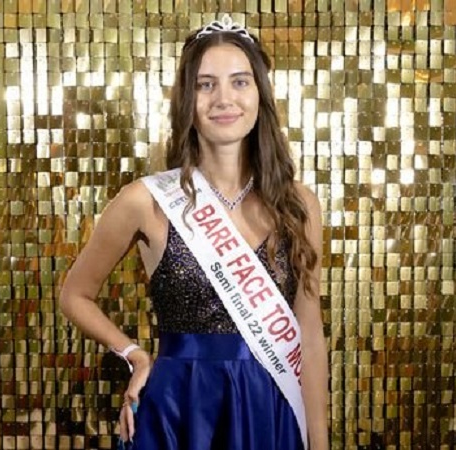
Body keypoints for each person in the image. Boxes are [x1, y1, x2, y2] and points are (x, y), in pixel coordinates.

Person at [59, 15, 328, 450]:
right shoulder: (145, 201)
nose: (224, 98)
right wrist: (134, 355)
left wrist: (319, 444)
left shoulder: (298, 204)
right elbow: (74, 295)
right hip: (180, 410)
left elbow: (309, 337)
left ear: (260, 94)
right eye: (206, 85)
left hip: (269, 409)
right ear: (187, 98)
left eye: (239, 82)